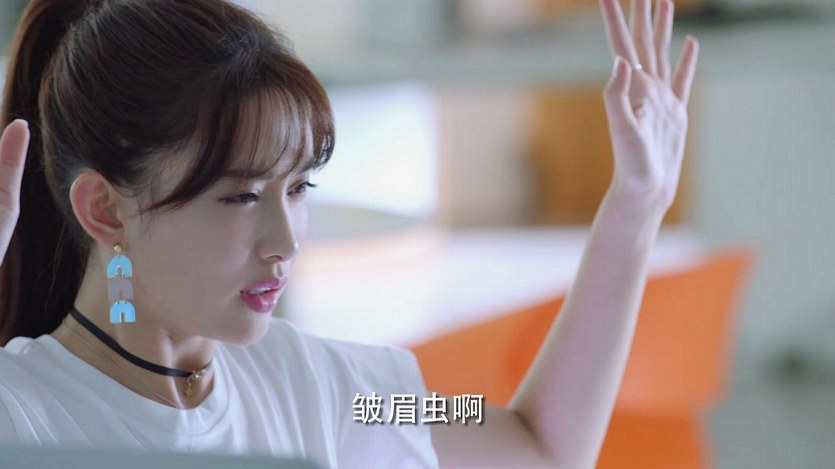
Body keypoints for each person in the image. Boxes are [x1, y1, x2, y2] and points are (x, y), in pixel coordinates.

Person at [0, 0, 698, 467]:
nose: (285, 240)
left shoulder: (332, 388)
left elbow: (533, 442)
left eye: (298, 188)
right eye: (242, 195)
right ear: (105, 210)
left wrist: (635, 205)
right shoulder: (23, 413)